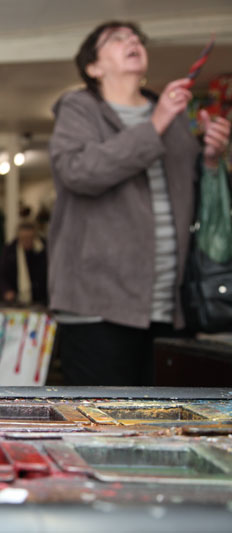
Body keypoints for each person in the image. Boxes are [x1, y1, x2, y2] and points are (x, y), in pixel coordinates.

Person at [48, 21, 231, 386]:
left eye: (136, 38)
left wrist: (211, 157)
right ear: (93, 67)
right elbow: (78, 172)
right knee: (101, 428)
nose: (132, 41)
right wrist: (157, 122)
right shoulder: (80, 108)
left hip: (168, 305)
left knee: (164, 426)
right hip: (97, 308)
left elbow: (195, 194)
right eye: (116, 39)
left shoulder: (171, 115)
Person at [0, 221, 47, 306]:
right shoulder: (10, 251)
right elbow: (1, 275)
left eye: (29, 238)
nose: (26, 241)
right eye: (23, 238)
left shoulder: (43, 250)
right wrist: (6, 290)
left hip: (41, 299)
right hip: (16, 299)